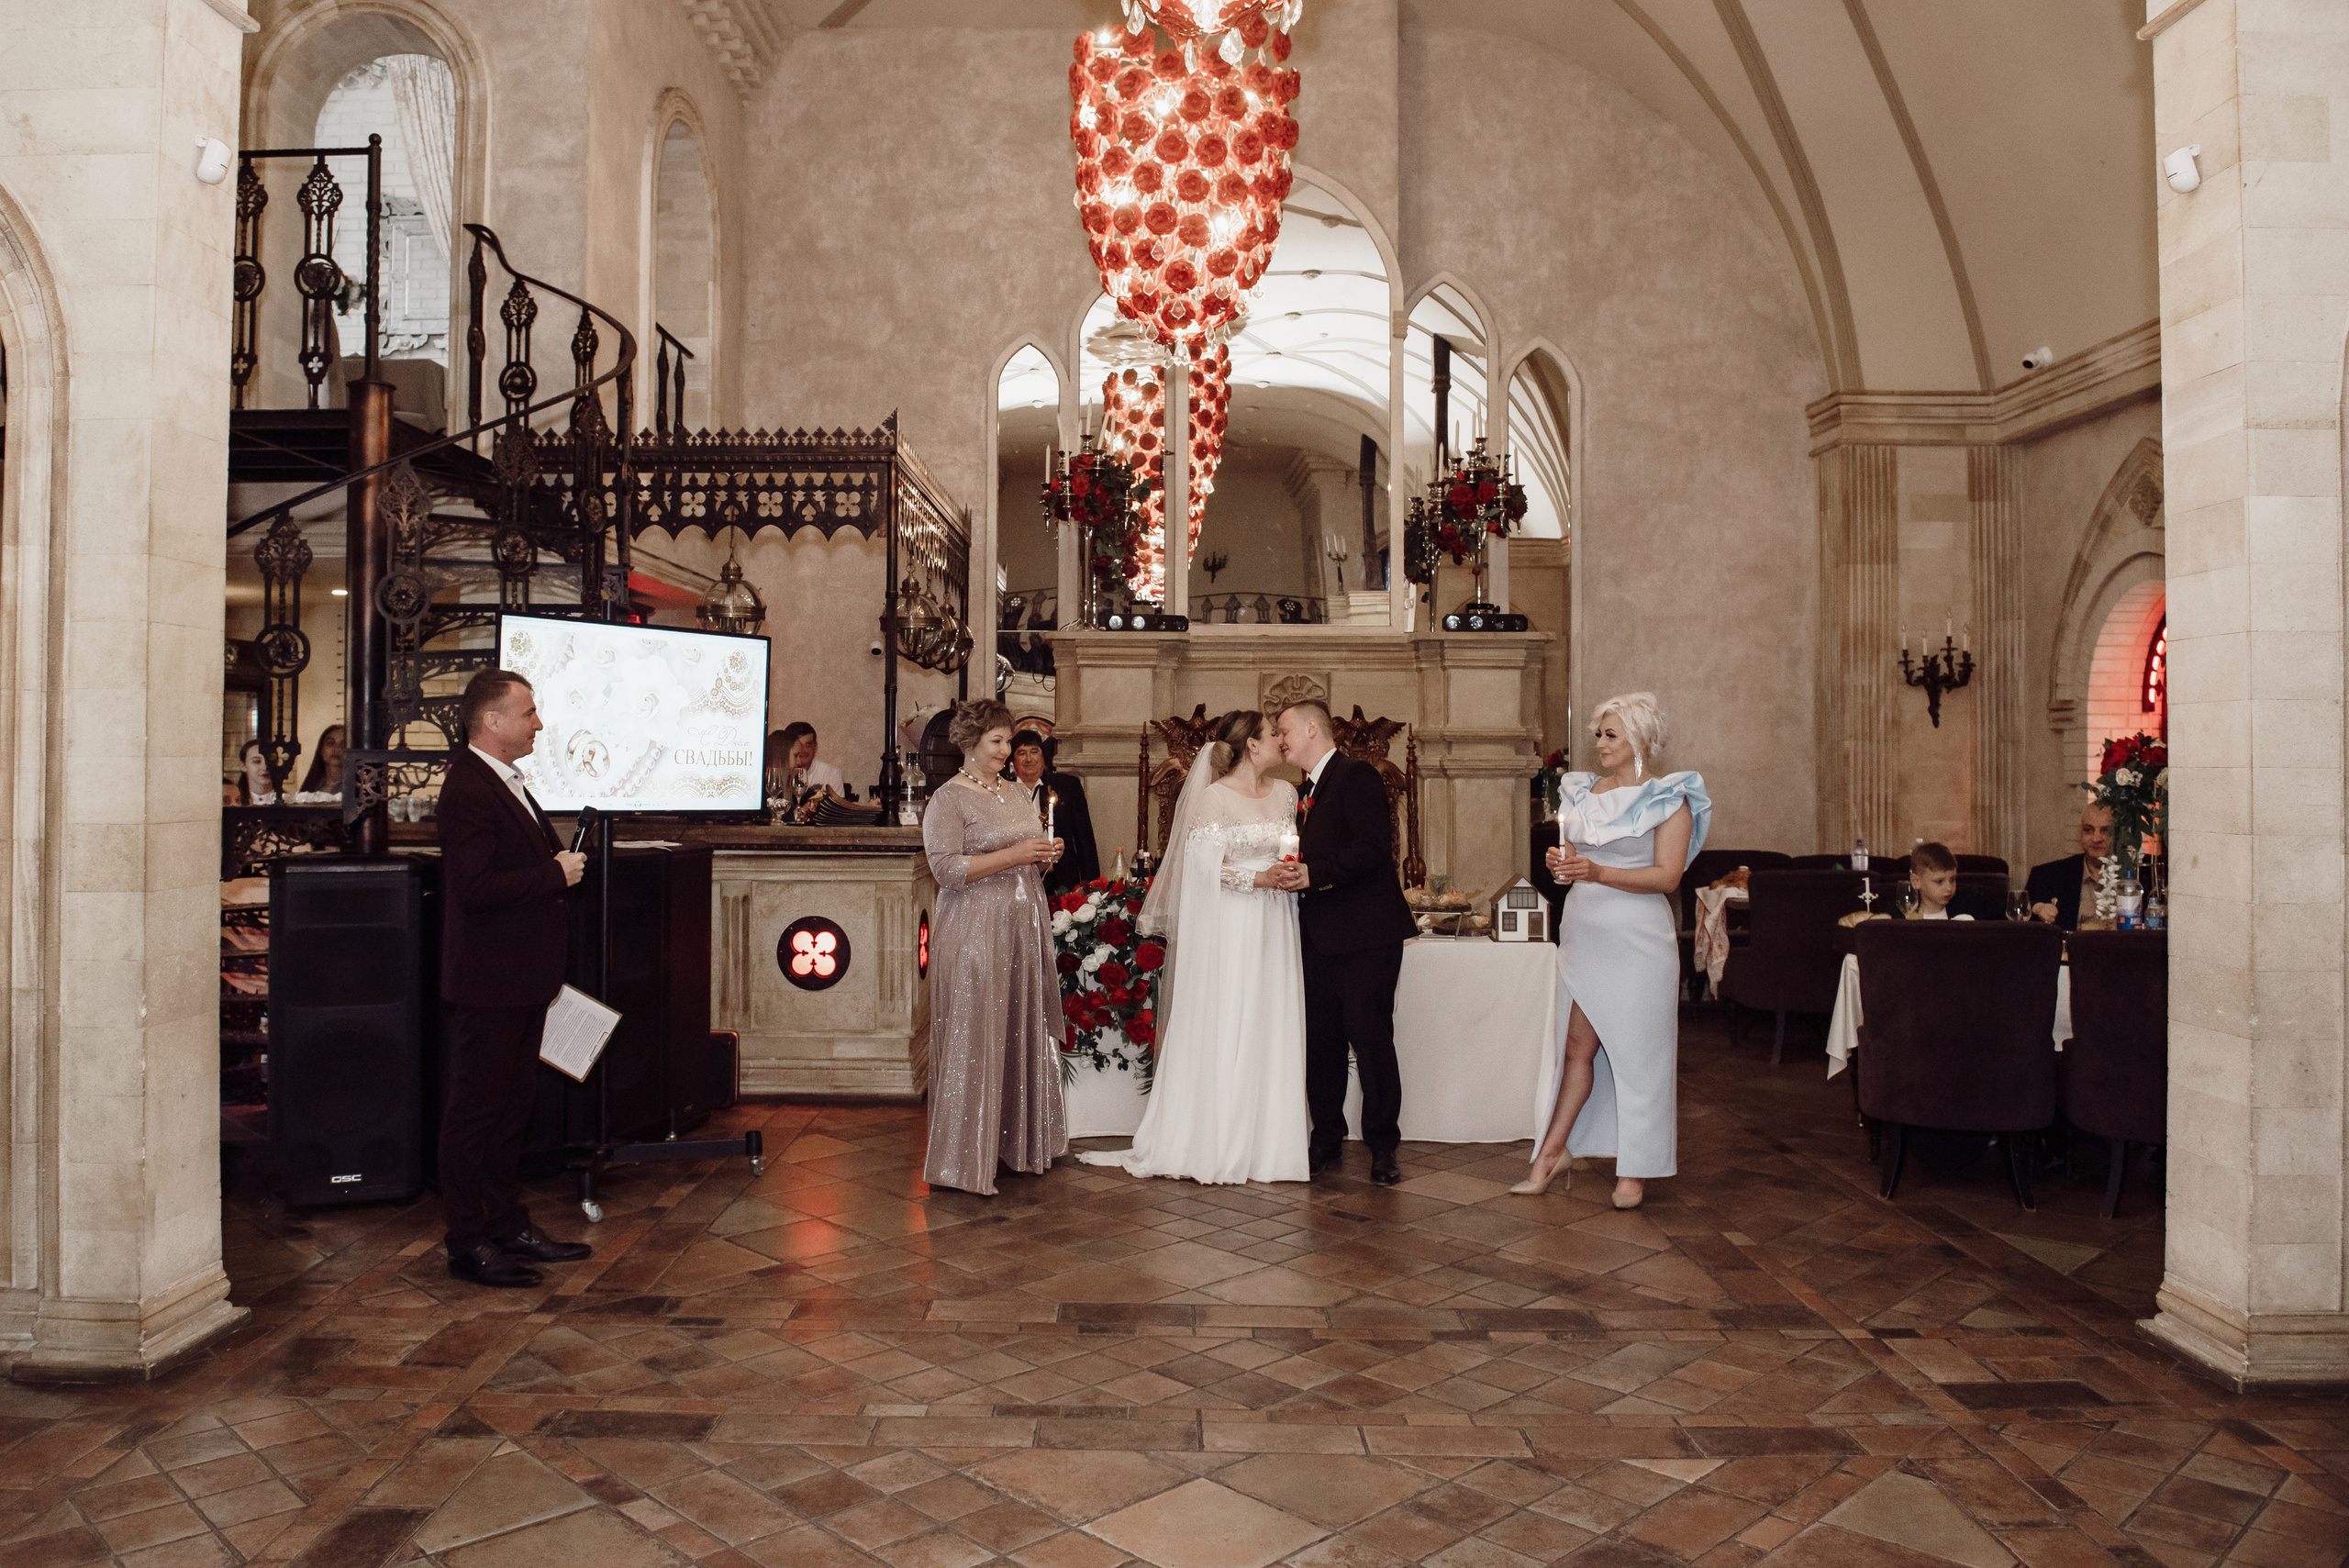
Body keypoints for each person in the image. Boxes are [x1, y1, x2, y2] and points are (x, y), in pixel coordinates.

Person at [1078, 710, 1308, 1184]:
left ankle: (1270, 1144)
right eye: (1272, 734)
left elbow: (1288, 848)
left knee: (1270, 1016)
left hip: (1276, 922)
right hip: (1232, 922)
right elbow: (1203, 870)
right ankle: (1217, 1140)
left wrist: (1287, 871)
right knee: (1229, 1018)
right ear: (1251, 745)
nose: (1280, 743)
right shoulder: (1213, 800)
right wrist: (1257, 877)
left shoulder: (1287, 794)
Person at [1518, 693, 1709, 1210]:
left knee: (1639, 1057)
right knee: (1577, 1050)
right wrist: (1566, 863)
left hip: (1639, 939)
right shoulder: (1581, 791)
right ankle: (1550, 1155)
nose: (1598, 743)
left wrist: (1597, 871)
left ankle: (1636, 1171)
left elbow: (1667, 876)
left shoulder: (1673, 798)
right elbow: (1575, 857)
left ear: (1640, 740)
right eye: (1598, 734)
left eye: (1610, 735)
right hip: (1585, 931)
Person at [436, 669, 591, 1288]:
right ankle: (467, 1241)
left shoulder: (505, 781)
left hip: (521, 979)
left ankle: (508, 1224)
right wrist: (555, 875)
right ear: (492, 721)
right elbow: (474, 889)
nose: (539, 723)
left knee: (510, 1109)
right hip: (489, 980)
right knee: (477, 1111)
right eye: (527, 713)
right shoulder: (469, 788)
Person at [921, 698, 1069, 1195]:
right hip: (974, 929)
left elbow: (1027, 855)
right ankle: (963, 1158)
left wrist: (1045, 855)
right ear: (969, 743)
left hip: (1022, 926)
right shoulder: (949, 798)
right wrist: (1013, 854)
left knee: (1017, 1028)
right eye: (998, 742)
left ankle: (1015, 1144)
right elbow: (945, 870)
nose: (1008, 751)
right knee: (976, 1032)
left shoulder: (1013, 792)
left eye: (1009, 741)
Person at [1272, 699, 1417, 1185]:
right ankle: (1326, 1140)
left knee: (1371, 1040)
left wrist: (1316, 874)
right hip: (1317, 936)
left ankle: (1383, 1147)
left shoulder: (1357, 777)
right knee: (1322, 1044)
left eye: (1285, 728)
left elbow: (1373, 850)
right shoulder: (1301, 791)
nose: (1280, 737)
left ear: (1313, 728)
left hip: (1365, 935)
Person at [1007, 729, 1100, 893]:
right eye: (1021, 753)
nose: (1029, 759)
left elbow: (1085, 840)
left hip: (1061, 880)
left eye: (1034, 751)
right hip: (1015, 882)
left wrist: (1092, 887)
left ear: (1043, 757)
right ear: (1013, 760)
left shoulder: (1067, 786)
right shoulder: (1003, 790)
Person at [2025, 800, 2114, 930]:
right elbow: (2020, 911)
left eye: (2105, 831)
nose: (2096, 839)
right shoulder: (2049, 875)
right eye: (2089, 830)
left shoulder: (2143, 875)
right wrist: (2037, 908)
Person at [1907, 840, 2002, 920]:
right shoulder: (1901, 915)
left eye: (1952, 880)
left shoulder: (1971, 907)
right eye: (1939, 881)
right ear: (1916, 882)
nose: (1949, 888)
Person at [767, 722, 847, 801]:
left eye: (808, 744)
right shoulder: (771, 782)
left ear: (815, 747)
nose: (804, 750)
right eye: (796, 754)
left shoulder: (831, 774)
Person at [298, 722, 346, 795]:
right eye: (330, 743)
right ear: (321, 750)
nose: (336, 749)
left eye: (343, 745)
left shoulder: (356, 788)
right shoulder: (311, 787)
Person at [233, 740, 275, 805]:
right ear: (243, 766)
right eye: (257, 761)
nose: (265, 767)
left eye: (270, 760)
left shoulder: (288, 801)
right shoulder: (235, 803)